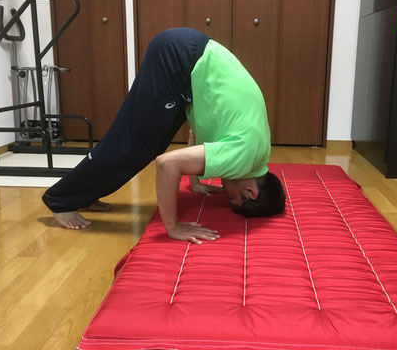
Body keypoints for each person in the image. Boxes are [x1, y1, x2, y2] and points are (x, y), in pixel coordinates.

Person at [42, 28, 286, 243]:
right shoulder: (243, 155)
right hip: (178, 59)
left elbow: (198, 133)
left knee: (147, 145)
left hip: (186, 57)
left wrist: (195, 182)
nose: (225, 193)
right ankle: (61, 200)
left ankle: (85, 195)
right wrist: (173, 227)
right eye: (232, 200)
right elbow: (167, 164)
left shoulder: (259, 151)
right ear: (250, 192)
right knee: (134, 145)